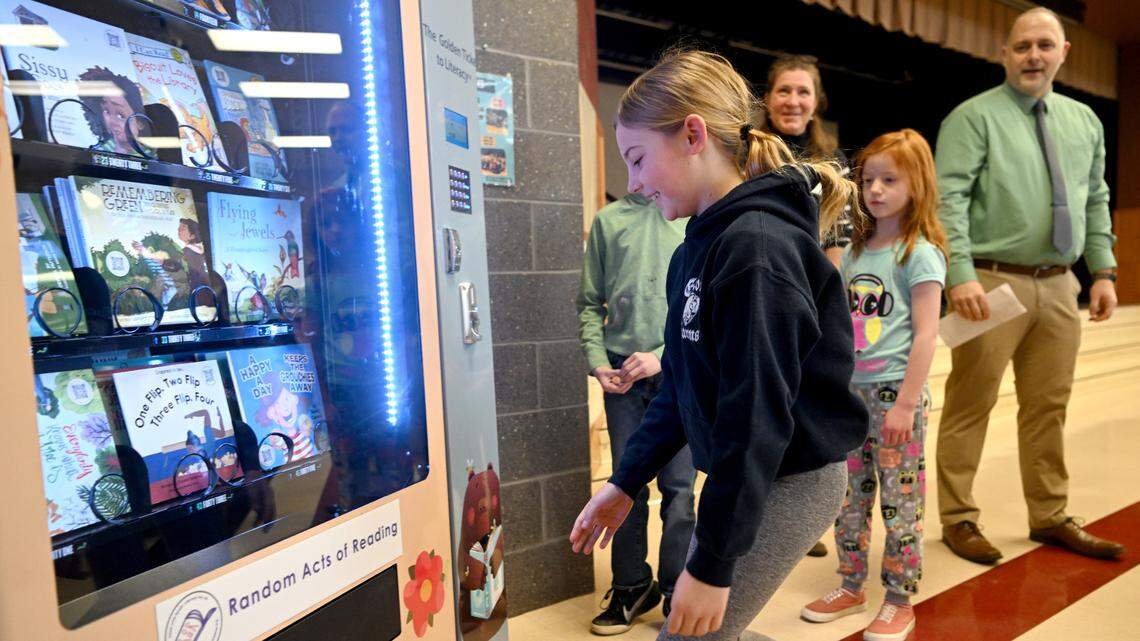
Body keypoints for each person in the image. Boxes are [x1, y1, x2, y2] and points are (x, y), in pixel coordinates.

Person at [569, 49, 869, 640]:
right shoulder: (696, 249)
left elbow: (753, 418)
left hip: (794, 476)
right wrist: (624, 481)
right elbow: (678, 385)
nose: (632, 182)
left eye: (636, 159)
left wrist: (710, 564)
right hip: (759, 466)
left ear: (692, 135)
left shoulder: (755, 249)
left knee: (689, 634)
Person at [935, 7, 1123, 564]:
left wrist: (1104, 270)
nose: (1033, 56)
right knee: (971, 403)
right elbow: (950, 201)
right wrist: (960, 275)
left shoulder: (1084, 121)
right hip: (990, 281)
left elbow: (1094, 199)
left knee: (1049, 406)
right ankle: (959, 517)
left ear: (1064, 52)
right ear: (1004, 54)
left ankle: (1049, 514)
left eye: (1044, 45)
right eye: (1021, 47)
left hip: (1060, 283)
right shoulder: (973, 117)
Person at [800, 129, 946, 640]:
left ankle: (901, 598)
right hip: (851, 394)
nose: (875, 190)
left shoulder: (919, 254)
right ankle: (851, 582)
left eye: (889, 179)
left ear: (917, 184)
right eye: (868, 179)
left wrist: (907, 403)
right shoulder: (856, 251)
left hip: (893, 396)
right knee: (850, 497)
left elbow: (927, 335)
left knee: (900, 501)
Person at [576, 193, 697, 635]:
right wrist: (597, 359)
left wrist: (663, 357)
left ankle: (675, 590)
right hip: (623, 380)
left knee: (680, 491)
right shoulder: (610, 221)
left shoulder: (687, 216)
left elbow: (701, 311)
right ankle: (630, 586)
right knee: (624, 485)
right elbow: (589, 303)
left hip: (679, 372)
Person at [762, 54, 852, 270]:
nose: (793, 101)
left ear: (816, 103)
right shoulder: (745, 154)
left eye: (803, 92)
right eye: (784, 91)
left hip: (810, 278)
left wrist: (826, 291)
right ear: (767, 99)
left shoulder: (834, 161)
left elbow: (839, 236)